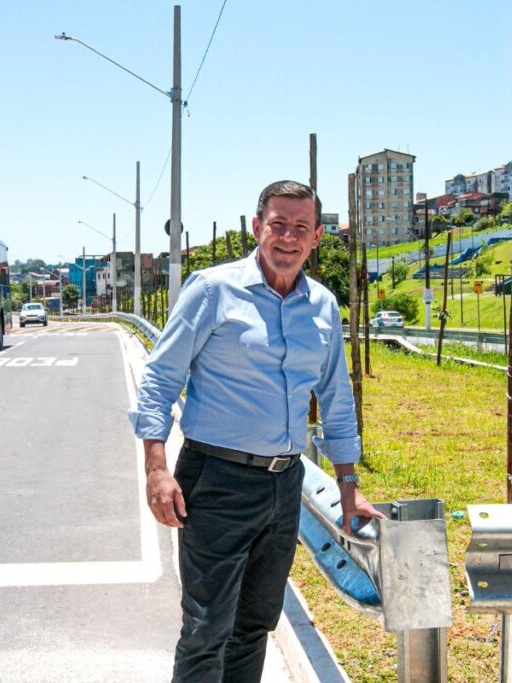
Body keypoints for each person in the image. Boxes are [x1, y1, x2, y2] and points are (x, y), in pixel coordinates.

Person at [128, 180, 384, 682]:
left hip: (285, 484)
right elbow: (160, 378)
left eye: (301, 228)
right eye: (278, 225)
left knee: (254, 627)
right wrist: (156, 468)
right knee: (207, 629)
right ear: (257, 227)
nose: (288, 237)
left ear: (316, 239)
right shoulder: (212, 290)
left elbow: (336, 400)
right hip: (217, 480)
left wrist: (348, 490)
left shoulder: (324, 307)